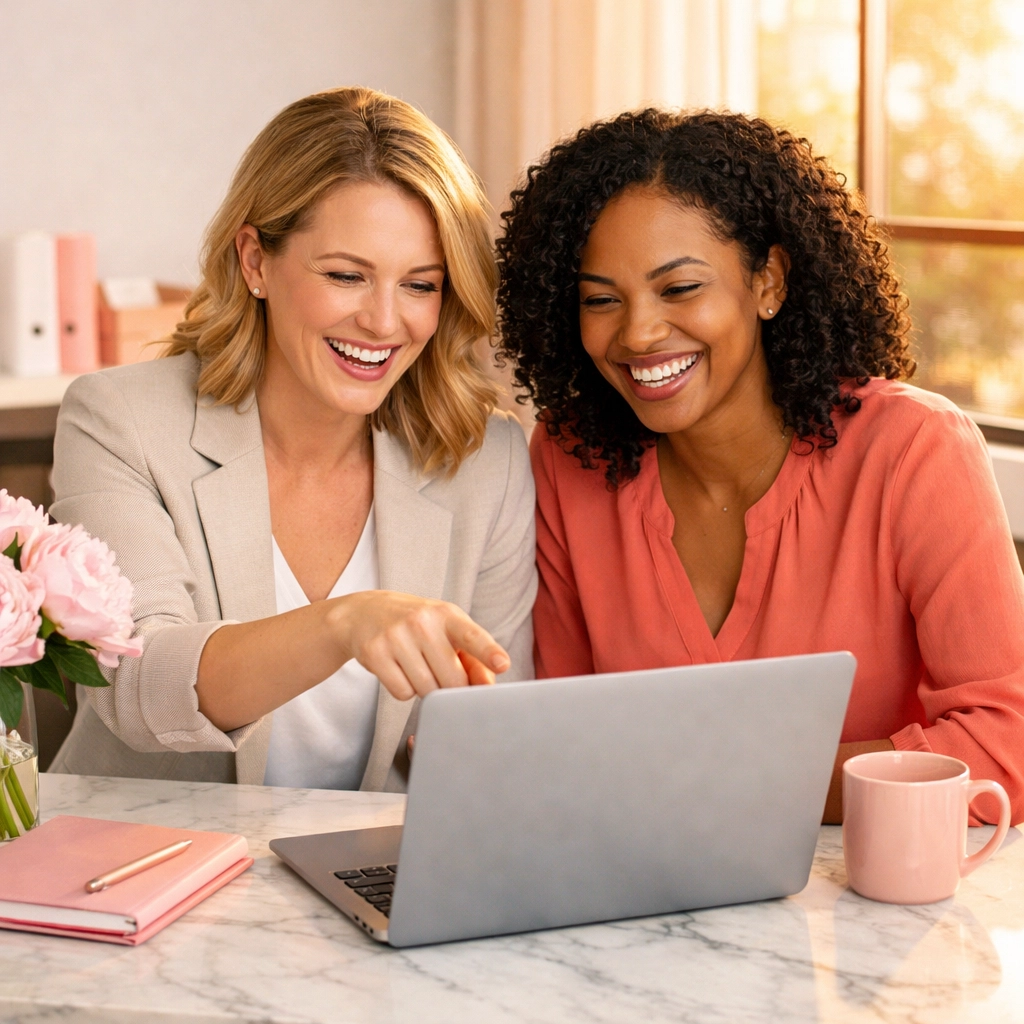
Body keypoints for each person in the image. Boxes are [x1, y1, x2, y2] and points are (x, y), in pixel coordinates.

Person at [496, 108, 1024, 824]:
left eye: (680, 289)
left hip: (864, 906)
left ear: (769, 282)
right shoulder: (570, 460)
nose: (639, 333)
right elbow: (562, 736)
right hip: (635, 899)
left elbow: (1006, 743)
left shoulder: (913, 449)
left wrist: (736, 782)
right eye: (600, 300)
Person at [49, 87, 536, 791]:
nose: (383, 321)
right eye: (345, 275)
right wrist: (344, 623)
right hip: (138, 867)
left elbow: (492, 734)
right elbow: (137, 684)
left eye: (420, 285)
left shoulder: (486, 462)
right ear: (255, 262)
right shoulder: (118, 420)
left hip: (364, 869)